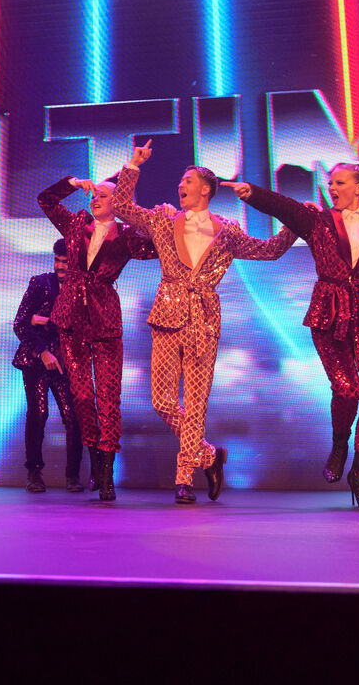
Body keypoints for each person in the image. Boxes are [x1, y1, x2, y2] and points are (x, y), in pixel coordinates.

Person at [223, 166, 359, 507]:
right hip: (329, 314)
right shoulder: (318, 222)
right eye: (330, 183)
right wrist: (252, 193)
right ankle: (339, 445)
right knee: (347, 389)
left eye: (340, 182)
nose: (332, 187)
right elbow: (286, 208)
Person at [112, 142, 297, 504]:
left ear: (206, 189)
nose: (180, 186)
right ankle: (209, 455)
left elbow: (269, 251)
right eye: (180, 181)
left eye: (187, 181)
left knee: (196, 403)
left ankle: (184, 479)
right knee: (162, 401)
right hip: (167, 316)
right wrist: (133, 165)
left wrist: (294, 222)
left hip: (204, 321)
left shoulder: (227, 231)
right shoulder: (163, 219)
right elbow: (121, 207)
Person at [38, 173, 157, 502]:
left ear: (119, 203)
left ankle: (107, 474)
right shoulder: (77, 223)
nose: (96, 198)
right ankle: (94, 459)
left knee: (108, 399)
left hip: (105, 320)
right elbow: (46, 200)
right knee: (81, 397)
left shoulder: (127, 235)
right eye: (95, 194)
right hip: (71, 320)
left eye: (104, 195)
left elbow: (160, 246)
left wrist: (147, 218)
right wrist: (73, 184)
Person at [11, 238, 84, 493]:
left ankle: (73, 475)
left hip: (66, 362)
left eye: (65, 262)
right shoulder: (40, 283)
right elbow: (20, 323)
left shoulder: (81, 289)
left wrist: (44, 321)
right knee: (38, 413)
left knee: (73, 417)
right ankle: (33, 473)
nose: (60, 266)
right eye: (57, 260)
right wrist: (42, 351)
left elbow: (80, 326)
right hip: (37, 360)